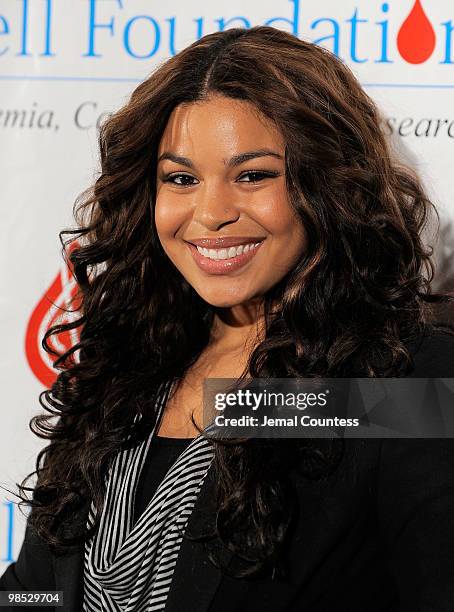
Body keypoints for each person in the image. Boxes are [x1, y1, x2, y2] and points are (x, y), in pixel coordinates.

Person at [1, 25, 454, 612]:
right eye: (181, 179)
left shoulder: (402, 379)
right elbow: (39, 589)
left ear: (328, 184)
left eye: (253, 175)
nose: (211, 213)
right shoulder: (127, 369)